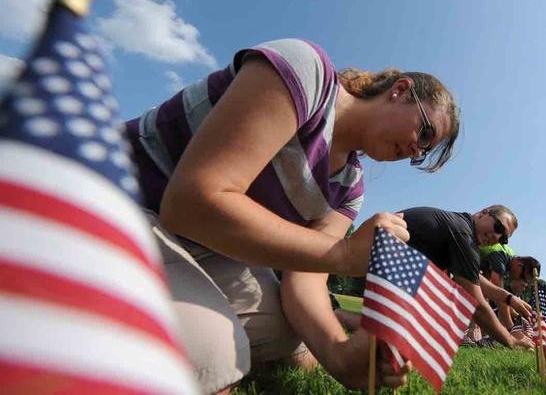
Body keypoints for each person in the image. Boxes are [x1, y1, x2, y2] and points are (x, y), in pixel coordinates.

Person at [125, 38, 460, 394]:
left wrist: (339, 354)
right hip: (125, 200)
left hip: (204, 246)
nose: (415, 149)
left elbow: (305, 278)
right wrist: (346, 255)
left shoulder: (350, 186)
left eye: (423, 152)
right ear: (400, 90)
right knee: (216, 355)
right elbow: (191, 203)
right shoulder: (307, 73)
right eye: (424, 132)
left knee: (286, 334)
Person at [400, 205, 535, 350]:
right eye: (499, 228)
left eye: (503, 239)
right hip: (381, 274)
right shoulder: (463, 233)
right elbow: (476, 304)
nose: (497, 237)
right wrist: (511, 340)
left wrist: (509, 298)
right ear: (484, 213)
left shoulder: (461, 227)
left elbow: (473, 277)